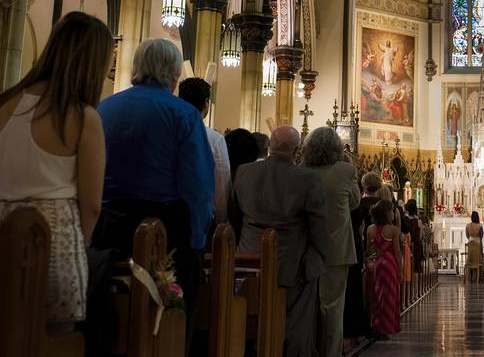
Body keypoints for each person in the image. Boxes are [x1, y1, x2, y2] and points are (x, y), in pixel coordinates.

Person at [94, 39, 214, 350]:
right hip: (166, 234)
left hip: (107, 231)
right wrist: (197, 240)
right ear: (174, 74)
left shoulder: (105, 108)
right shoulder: (184, 115)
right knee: (171, 318)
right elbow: (198, 185)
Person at [0, 12, 112, 332]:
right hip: (52, 247)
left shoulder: (6, 102)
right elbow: (91, 205)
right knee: (53, 343)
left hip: (2, 237)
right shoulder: (82, 116)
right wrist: (80, 247)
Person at [234, 126, 325, 357]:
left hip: (247, 261)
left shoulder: (244, 172)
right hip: (290, 264)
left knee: (248, 313)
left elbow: (234, 213)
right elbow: (319, 225)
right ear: (296, 150)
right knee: (296, 322)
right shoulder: (307, 178)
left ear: (269, 147)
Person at [303, 127, 360, 357]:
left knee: (307, 306)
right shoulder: (346, 171)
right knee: (333, 307)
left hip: (307, 249)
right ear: (337, 149)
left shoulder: (302, 170)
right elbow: (355, 202)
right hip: (337, 250)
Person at [178, 78, 231, 223]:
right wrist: (222, 220)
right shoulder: (215, 139)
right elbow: (221, 180)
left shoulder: (167, 130)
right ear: (206, 103)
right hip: (200, 216)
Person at [345, 171, 382, 346]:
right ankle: (374, 323)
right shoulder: (384, 205)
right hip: (379, 250)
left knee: (361, 288)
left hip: (360, 248)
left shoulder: (358, 204)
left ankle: (362, 324)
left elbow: (359, 227)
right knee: (375, 288)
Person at [367, 199, 401, 338]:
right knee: (389, 297)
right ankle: (385, 327)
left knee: (376, 295)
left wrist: (370, 263)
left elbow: (369, 251)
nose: (393, 214)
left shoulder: (370, 229)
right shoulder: (393, 230)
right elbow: (397, 252)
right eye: (392, 211)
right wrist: (400, 269)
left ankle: (376, 325)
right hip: (390, 265)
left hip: (376, 265)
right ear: (386, 213)